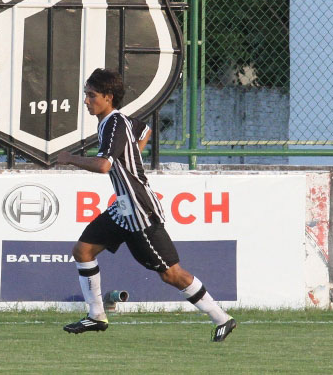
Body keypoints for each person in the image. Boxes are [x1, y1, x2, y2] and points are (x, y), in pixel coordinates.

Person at [56, 68, 236, 342]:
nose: (86, 101)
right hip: (123, 209)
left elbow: (104, 165)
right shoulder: (115, 122)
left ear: (108, 97)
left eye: (91, 96)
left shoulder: (114, 123)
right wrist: (133, 159)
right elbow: (145, 129)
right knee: (82, 251)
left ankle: (221, 318)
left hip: (139, 210)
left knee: (171, 274)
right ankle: (96, 316)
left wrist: (70, 158)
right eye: (86, 95)